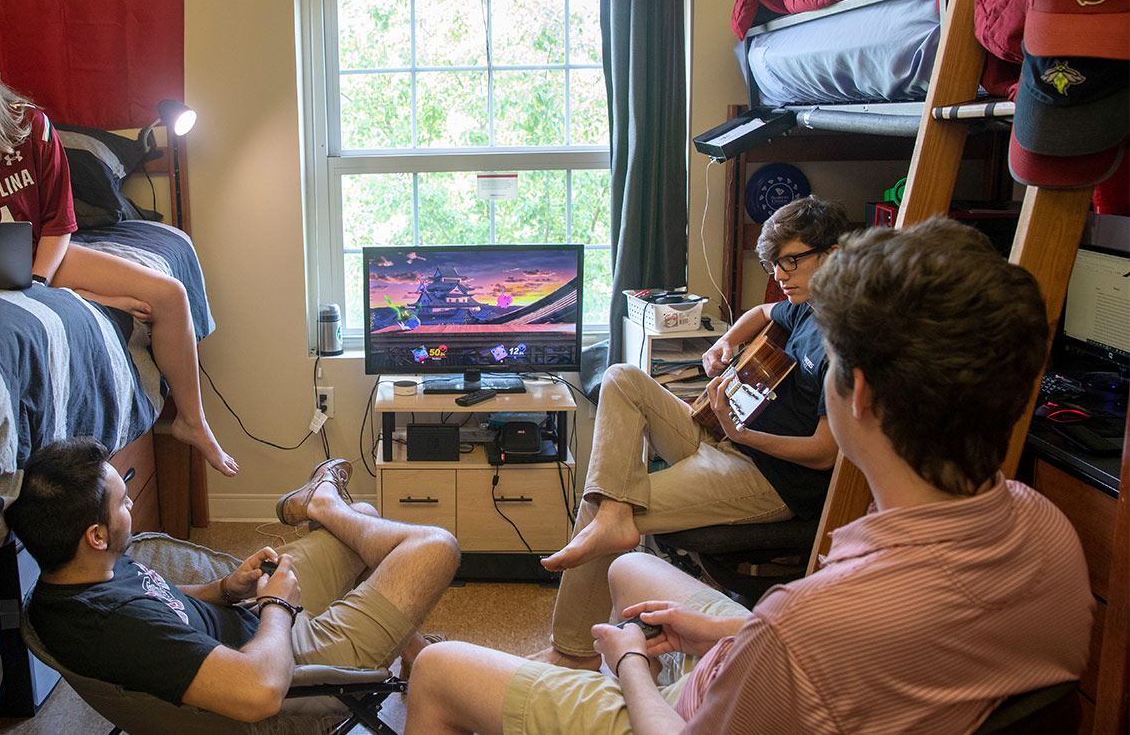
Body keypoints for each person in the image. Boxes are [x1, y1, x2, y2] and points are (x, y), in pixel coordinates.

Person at [403, 218, 1095, 734]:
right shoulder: (1051, 532)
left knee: (436, 668)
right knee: (626, 574)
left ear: (862, 398)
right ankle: (589, 623)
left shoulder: (804, 622)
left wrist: (630, 665)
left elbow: (786, 655)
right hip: (818, 678)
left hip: (680, 714)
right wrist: (730, 639)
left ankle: (596, 657)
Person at [0, 24, 237, 478]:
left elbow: (58, 224)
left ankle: (193, 423)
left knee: (170, 295)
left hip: (45, 256)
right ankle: (90, 299)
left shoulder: (30, 128)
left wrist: (35, 283)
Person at [533, 195, 846, 668]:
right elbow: (761, 316)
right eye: (773, 264)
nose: (779, 276)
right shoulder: (802, 305)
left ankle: (572, 652)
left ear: (835, 254)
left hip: (767, 477)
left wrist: (742, 436)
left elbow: (825, 453)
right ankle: (616, 514)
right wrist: (725, 343)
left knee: (603, 509)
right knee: (621, 377)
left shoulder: (844, 340)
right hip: (722, 435)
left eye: (791, 261)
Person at [4, 442, 458, 723]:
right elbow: (257, 694)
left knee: (362, 521)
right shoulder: (112, 626)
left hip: (256, 620)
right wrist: (278, 606)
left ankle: (411, 649)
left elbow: (161, 600)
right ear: (96, 535)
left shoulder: (80, 572)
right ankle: (321, 502)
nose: (130, 506)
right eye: (123, 501)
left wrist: (224, 588)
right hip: (292, 659)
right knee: (436, 546)